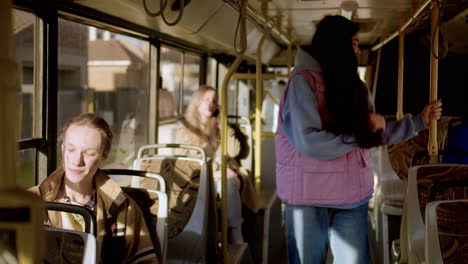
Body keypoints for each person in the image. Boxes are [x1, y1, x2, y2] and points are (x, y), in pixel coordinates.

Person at [275, 15, 442, 264]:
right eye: (353, 42)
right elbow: (309, 143)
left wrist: (418, 121)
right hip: (309, 198)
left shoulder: (357, 86)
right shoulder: (303, 83)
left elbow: (372, 134)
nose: (357, 49)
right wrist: (361, 133)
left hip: (350, 195)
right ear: (337, 45)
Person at [30, 113, 158, 263]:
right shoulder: (32, 203)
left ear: (104, 155)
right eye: (71, 150)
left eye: (90, 153)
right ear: (63, 148)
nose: (77, 161)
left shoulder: (123, 209)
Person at [175, 85, 258, 244]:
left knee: (229, 182)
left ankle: (234, 230)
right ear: (197, 103)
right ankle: (230, 233)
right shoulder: (186, 129)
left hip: (223, 173)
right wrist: (212, 173)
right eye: (206, 99)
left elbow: (233, 151)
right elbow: (186, 163)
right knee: (225, 182)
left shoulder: (218, 127)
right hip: (198, 176)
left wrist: (223, 122)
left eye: (214, 100)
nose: (210, 104)